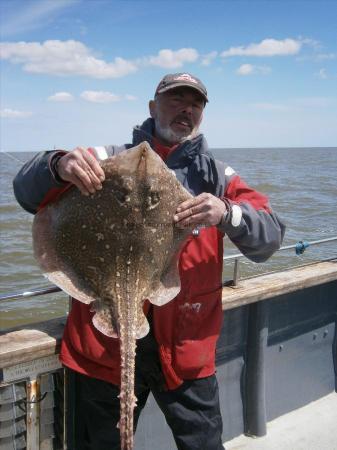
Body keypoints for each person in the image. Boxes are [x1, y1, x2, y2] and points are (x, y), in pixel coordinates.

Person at [13, 72, 285, 450]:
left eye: (196, 104)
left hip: (187, 349)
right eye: (176, 99)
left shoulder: (217, 177)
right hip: (102, 346)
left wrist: (226, 212)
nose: (186, 109)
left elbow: (270, 235)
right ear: (152, 107)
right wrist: (56, 165)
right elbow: (26, 192)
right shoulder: (104, 160)